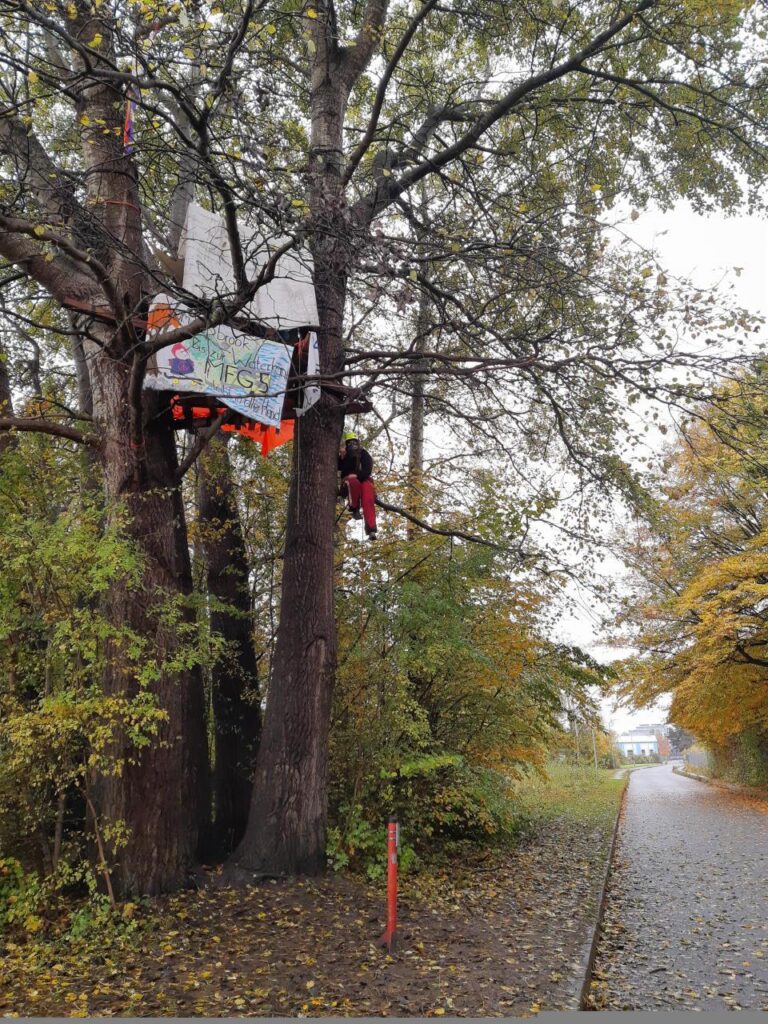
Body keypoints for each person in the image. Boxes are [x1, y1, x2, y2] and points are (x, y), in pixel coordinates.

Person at [338, 430, 377, 539]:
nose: (352, 445)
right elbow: (337, 466)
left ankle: (371, 529)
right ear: (346, 444)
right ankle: (354, 508)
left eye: (354, 442)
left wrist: (357, 476)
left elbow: (368, 469)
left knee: (368, 494)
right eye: (349, 443)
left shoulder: (363, 453)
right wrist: (340, 456)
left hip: (362, 478)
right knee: (353, 482)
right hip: (348, 482)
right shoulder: (344, 455)